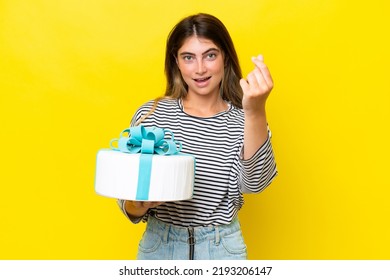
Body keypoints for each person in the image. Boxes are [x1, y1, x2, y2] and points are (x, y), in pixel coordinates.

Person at [117, 13, 277, 260]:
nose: (200, 69)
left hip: (222, 249)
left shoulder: (243, 120)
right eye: (188, 57)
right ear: (176, 62)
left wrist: (255, 111)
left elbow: (255, 184)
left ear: (225, 58)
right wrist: (139, 204)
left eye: (210, 55)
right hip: (160, 247)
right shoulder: (153, 114)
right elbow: (127, 197)